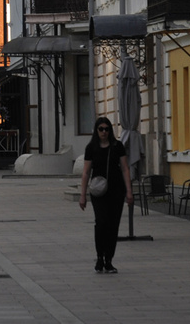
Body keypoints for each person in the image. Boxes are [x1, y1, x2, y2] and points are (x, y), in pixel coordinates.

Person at [78, 116, 134, 274]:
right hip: (98, 192)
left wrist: (129, 191)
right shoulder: (91, 148)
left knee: (113, 225)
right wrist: (83, 195)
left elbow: (125, 169)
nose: (104, 132)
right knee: (101, 223)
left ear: (110, 131)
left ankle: (109, 259)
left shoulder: (118, 146)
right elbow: (86, 172)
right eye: (101, 129)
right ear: (96, 131)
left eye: (107, 129)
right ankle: (99, 257)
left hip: (116, 191)